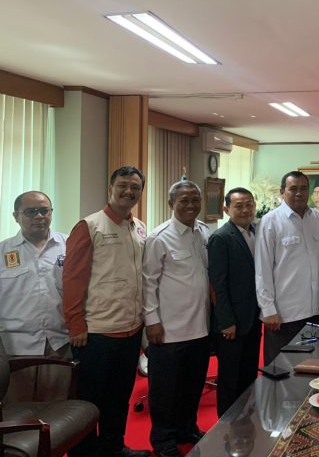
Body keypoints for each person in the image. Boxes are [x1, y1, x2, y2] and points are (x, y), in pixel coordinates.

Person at [63, 166, 151, 457]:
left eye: (135, 187)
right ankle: (86, 453)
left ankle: (113, 447)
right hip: (96, 332)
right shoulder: (89, 226)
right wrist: (76, 324)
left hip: (131, 329)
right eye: (123, 185)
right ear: (110, 188)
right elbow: (73, 280)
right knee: (89, 401)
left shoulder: (139, 227)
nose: (129, 191)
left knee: (119, 395)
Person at [142, 180, 210, 456]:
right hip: (169, 329)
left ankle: (187, 429)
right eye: (184, 200)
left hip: (200, 327)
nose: (191, 205)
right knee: (165, 391)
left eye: (195, 199)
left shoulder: (203, 232)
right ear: (171, 203)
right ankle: (163, 441)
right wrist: (152, 321)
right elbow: (148, 282)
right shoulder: (159, 237)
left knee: (192, 386)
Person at [256, 171, 319, 365]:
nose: (299, 193)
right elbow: (262, 269)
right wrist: (268, 309)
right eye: (293, 189)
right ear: (282, 192)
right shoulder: (270, 221)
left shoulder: (316, 218)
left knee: (311, 365)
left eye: (303, 189)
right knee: (281, 369)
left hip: (315, 311)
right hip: (284, 315)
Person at [0, 191, 70, 400]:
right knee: (16, 409)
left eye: (44, 211)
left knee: (58, 408)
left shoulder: (69, 245)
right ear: (16, 216)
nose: (39, 216)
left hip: (60, 343)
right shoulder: (3, 252)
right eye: (31, 212)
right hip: (15, 348)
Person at [208, 187, 261, 418]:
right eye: (239, 206)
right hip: (232, 324)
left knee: (248, 375)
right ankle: (226, 427)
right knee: (230, 379)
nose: (245, 209)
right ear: (226, 209)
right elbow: (217, 285)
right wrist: (226, 322)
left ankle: (246, 421)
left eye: (249, 204)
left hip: (252, 318)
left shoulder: (257, 232)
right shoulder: (220, 238)